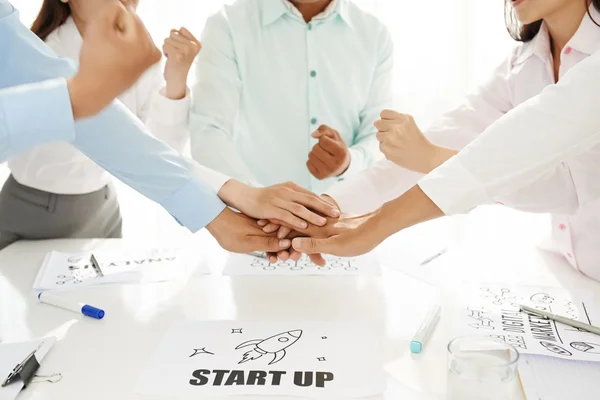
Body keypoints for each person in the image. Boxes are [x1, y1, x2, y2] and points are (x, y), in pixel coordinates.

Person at [288, 0, 600, 279]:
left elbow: (568, 188)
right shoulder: (521, 65)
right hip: (571, 276)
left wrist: (431, 159)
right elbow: (439, 138)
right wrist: (328, 208)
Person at [0, 0, 339, 256]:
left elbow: (144, 140)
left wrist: (226, 202)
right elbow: (92, 130)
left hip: (102, 206)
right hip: (32, 204)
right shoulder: (47, 47)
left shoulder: (133, 48)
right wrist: (224, 200)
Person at [0, 0, 201, 249]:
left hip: (103, 207)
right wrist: (87, 94)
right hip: (33, 209)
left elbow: (163, 151)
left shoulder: (139, 56)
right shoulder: (43, 57)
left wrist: (176, 79)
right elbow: (95, 141)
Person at [190, 0, 393, 193]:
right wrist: (252, 197)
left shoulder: (374, 34)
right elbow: (208, 129)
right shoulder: (228, 25)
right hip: (252, 222)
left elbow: (379, 136)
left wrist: (349, 163)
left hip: (349, 219)